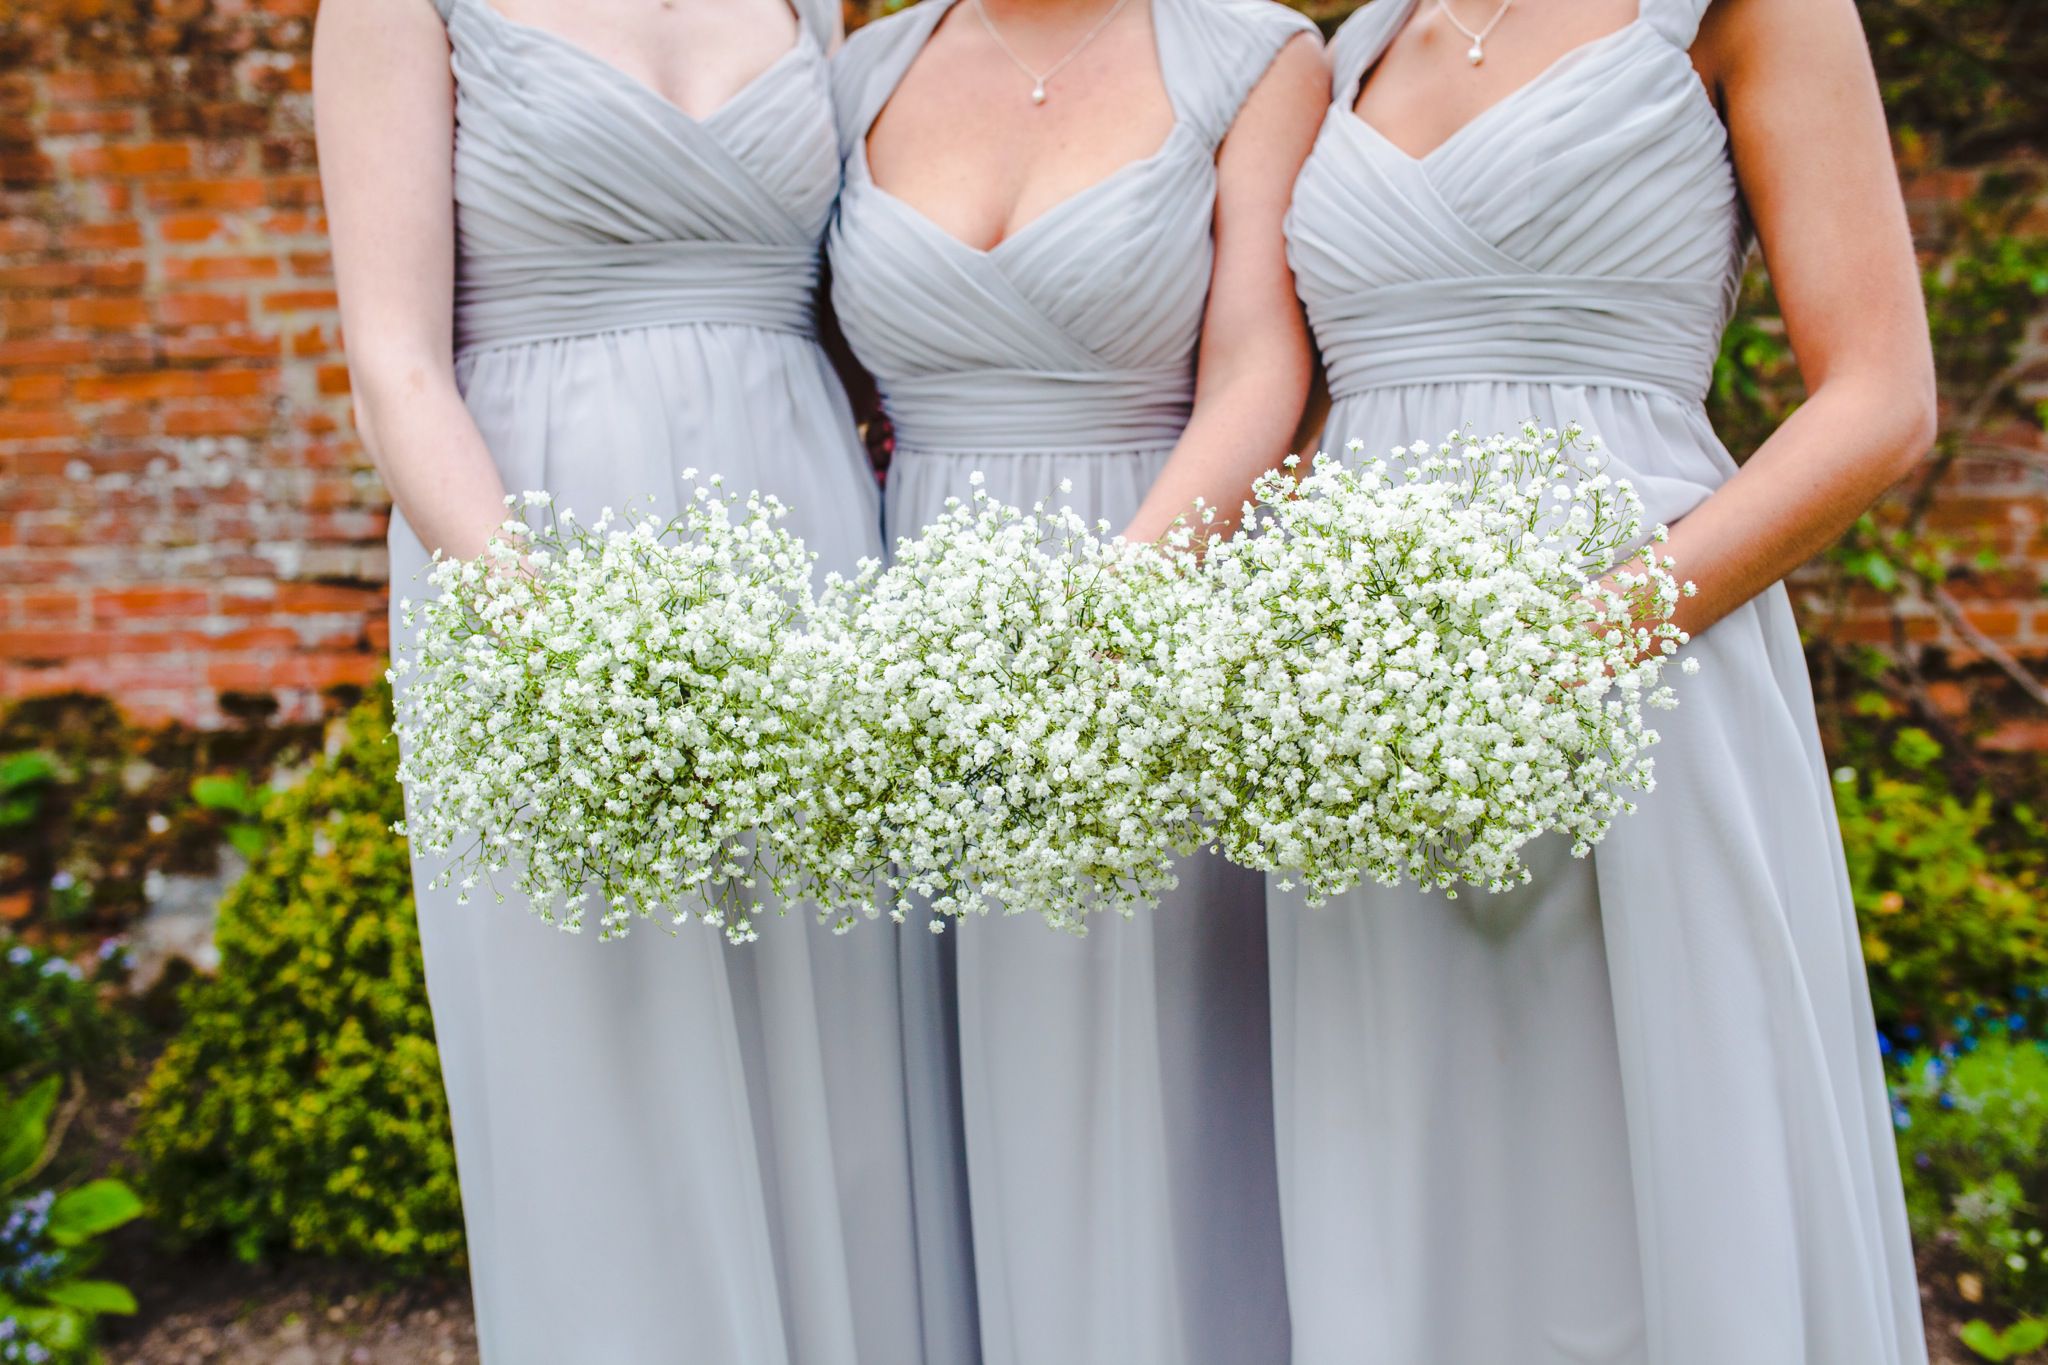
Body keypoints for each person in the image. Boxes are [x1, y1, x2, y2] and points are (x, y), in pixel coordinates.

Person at [1273, 0, 1934, 1359]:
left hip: (1645, 677)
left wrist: (1570, 646)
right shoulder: (1345, 53)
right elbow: (1317, 414)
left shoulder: (1756, 14)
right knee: (1411, 1165)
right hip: (1367, 728)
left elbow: (1881, 398)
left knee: (1656, 1154)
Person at [313, 0, 927, 1357]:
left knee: (838, 1056)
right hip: (540, 567)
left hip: (804, 555)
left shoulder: (811, 7)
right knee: (602, 1066)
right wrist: (564, 651)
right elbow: (394, 358)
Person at [828, 3, 1327, 1361]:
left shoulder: (1255, 58)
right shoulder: (860, 68)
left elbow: (1262, 366)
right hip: (910, 629)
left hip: (1155, 605)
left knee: (1152, 1088)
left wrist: (1104, 620)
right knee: (941, 1098)